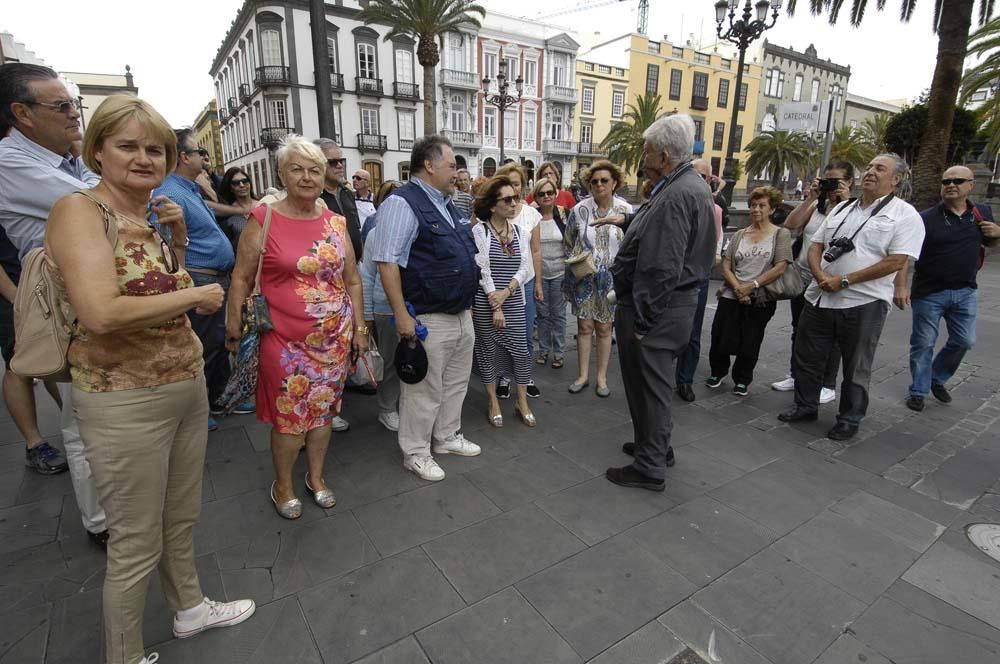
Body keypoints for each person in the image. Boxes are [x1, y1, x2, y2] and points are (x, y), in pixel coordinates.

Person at [46, 94, 255, 664]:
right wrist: (198, 292)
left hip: (182, 385)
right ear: (98, 150)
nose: (144, 158)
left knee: (179, 517)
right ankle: (124, 655)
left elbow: (155, 289)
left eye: (155, 148)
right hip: (122, 399)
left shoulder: (151, 213)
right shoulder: (79, 211)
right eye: (127, 146)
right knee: (134, 542)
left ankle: (189, 610)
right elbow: (100, 311)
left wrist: (179, 242)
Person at [226, 135, 366, 518]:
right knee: (290, 419)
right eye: (297, 169)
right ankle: (283, 484)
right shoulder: (262, 219)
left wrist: (360, 328)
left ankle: (316, 478)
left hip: (334, 339)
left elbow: (352, 279)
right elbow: (241, 277)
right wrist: (233, 323)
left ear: (324, 176)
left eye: (315, 170)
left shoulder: (336, 223)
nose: (307, 177)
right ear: (281, 174)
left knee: (322, 415)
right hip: (282, 340)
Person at [0, 62, 106, 544]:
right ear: (21, 114)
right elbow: (106, 202)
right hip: (71, 304)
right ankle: (102, 523)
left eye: (74, 104)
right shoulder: (10, 162)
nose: (72, 114)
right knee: (83, 417)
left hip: (90, 296)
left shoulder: (64, 157)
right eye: (61, 105)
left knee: (92, 411)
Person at [602, 113, 716, 491]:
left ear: (664, 155)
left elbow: (662, 265)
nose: (643, 155)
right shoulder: (683, 186)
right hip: (669, 306)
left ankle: (649, 466)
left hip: (658, 309)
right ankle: (655, 446)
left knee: (649, 388)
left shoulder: (678, 193)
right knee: (653, 386)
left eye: (647, 150)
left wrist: (643, 320)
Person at [779, 153, 925, 441]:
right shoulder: (843, 208)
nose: (870, 171)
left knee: (856, 365)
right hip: (820, 296)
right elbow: (816, 244)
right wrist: (821, 275)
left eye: (879, 168)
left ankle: (849, 418)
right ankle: (805, 405)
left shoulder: (905, 215)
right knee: (808, 356)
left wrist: (844, 280)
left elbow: (896, 261)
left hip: (864, 302)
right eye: (869, 166)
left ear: (895, 179)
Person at [369, 135, 481, 482]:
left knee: (456, 383)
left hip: (461, 313)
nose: (456, 173)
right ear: (429, 165)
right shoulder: (402, 203)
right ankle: (415, 452)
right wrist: (401, 315)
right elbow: (387, 262)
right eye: (451, 165)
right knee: (422, 391)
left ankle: (446, 436)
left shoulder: (449, 204)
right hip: (428, 317)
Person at [153, 129, 242, 428]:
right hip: (199, 277)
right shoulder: (171, 193)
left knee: (216, 341)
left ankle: (218, 397)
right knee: (202, 344)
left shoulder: (189, 189)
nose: (204, 156)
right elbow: (165, 242)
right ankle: (196, 409)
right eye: (197, 151)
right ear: (183, 157)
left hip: (213, 277)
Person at [897, 165, 1000, 411]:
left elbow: (991, 242)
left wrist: (997, 233)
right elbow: (904, 254)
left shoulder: (981, 213)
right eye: (946, 181)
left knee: (965, 340)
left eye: (958, 181)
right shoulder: (925, 218)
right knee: (923, 343)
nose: (951, 185)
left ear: (971, 185)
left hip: (966, 291)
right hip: (929, 292)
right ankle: (919, 391)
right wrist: (901, 286)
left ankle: (937, 378)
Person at [772, 161, 855, 404]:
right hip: (803, 276)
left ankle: (827, 383)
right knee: (800, 329)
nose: (830, 185)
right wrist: (811, 197)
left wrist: (843, 202)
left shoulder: (852, 210)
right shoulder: (817, 207)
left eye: (835, 180)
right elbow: (790, 225)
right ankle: (796, 374)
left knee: (831, 335)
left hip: (831, 278)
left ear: (849, 182)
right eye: (826, 179)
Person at [706, 187, 793, 396]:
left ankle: (743, 379)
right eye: (753, 205)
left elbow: (780, 267)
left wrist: (752, 286)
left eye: (762, 205)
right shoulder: (739, 234)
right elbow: (726, 265)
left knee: (751, 339)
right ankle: (718, 372)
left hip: (760, 297)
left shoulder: (780, 234)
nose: (756, 209)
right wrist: (738, 288)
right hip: (731, 293)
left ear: (772, 209)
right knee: (720, 335)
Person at [563, 159, 632, 397]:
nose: (599, 185)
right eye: (594, 181)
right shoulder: (579, 209)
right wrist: (580, 259)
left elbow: (633, 246)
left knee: (604, 328)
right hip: (585, 279)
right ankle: (582, 375)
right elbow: (569, 241)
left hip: (611, 280)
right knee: (584, 327)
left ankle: (601, 378)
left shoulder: (626, 210)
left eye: (604, 180)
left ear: (614, 183)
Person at [472, 175, 537, 427]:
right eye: (507, 199)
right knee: (487, 350)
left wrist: (506, 293)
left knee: (521, 352)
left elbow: (524, 267)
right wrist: (495, 303)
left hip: (511, 300)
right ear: (492, 205)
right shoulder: (480, 231)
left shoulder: (521, 232)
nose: (514, 203)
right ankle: (493, 400)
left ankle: (522, 401)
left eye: (516, 198)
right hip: (486, 301)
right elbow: (483, 269)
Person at [313, 138, 361, 431]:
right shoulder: (315, 198)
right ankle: (323, 407)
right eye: (333, 162)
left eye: (341, 160)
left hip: (353, 273)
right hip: (325, 281)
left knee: (350, 336)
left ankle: (335, 399)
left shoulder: (346, 194)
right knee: (325, 346)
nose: (340, 165)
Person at [674, 159, 725, 402]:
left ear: (710, 181)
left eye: (703, 177)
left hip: (696, 278)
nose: (698, 180)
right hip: (671, 276)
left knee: (692, 332)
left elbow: (713, 247)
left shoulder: (714, 210)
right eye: (694, 175)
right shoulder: (673, 202)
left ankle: (685, 379)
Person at [494, 162, 543, 399]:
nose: (512, 191)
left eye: (516, 184)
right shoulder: (494, 212)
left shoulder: (532, 214)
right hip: (500, 285)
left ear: (522, 187)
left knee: (524, 332)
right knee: (503, 332)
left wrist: (539, 284)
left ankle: (525, 376)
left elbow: (535, 251)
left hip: (526, 282)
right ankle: (503, 376)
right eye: (507, 184)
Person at [361, 179, 404, 430]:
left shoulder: (416, 231)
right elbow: (366, 277)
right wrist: (365, 322)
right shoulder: (376, 234)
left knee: (412, 360)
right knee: (389, 363)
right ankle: (387, 408)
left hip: (413, 306)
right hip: (383, 308)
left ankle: (406, 406)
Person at [531, 177, 570, 368]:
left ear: (555, 194)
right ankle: (544, 350)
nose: (546, 196)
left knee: (559, 314)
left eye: (550, 192)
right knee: (542, 314)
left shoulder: (563, 214)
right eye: (541, 193)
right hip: (539, 274)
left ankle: (559, 353)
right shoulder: (532, 216)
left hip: (560, 273)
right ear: (536, 197)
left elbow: (572, 242)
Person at [217, 166, 259, 252]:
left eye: (244, 181)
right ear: (230, 188)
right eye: (236, 183)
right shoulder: (228, 214)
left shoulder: (263, 204)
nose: (241, 185)